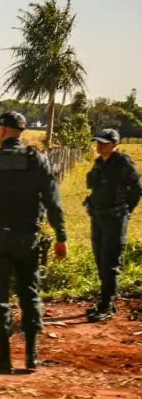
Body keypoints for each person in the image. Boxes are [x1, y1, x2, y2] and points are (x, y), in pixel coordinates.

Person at [0, 111, 68, 374]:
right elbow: (53, 202)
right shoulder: (37, 160)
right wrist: (61, 237)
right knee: (29, 293)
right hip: (28, 237)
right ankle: (31, 357)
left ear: (4, 130)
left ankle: (5, 359)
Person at [84, 128, 142, 322]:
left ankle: (107, 305)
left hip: (115, 218)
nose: (99, 146)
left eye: (104, 143)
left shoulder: (123, 162)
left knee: (110, 261)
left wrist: (128, 209)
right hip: (98, 216)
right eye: (97, 142)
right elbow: (93, 185)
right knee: (100, 259)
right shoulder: (99, 163)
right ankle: (105, 301)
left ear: (115, 144)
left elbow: (137, 187)